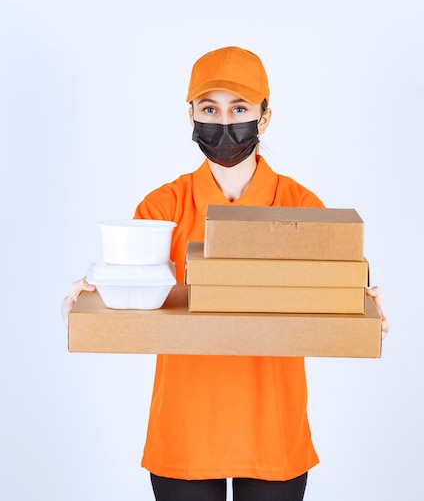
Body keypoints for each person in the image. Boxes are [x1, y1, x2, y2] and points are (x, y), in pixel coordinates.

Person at [62, 46, 389, 501]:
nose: (223, 121)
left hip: (273, 431)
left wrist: (363, 304)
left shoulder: (303, 208)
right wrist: (92, 294)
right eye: (209, 108)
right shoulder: (162, 210)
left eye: (239, 108)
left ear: (265, 117)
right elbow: (131, 299)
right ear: (192, 115)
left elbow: (335, 295)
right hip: (186, 431)